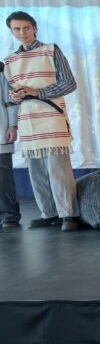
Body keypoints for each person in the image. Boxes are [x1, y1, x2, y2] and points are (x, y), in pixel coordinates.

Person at [4, 11, 79, 232]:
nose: (22, 32)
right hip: (27, 119)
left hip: (51, 115)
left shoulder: (51, 50)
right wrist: (15, 96)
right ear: (11, 31)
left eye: (26, 28)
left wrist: (37, 92)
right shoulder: (10, 60)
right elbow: (11, 95)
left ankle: (68, 214)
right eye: (17, 29)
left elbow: (69, 83)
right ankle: (49, 213)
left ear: (34, 28)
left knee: (58, 168)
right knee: (36, 170)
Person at [0, 62, 21, 229]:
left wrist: (13, 124)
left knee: (3, 178)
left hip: (1, 133)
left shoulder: (2, 71)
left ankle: (9, 214)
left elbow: (10, 100)